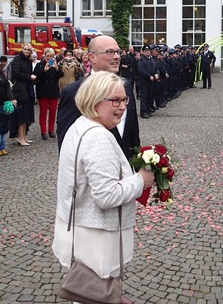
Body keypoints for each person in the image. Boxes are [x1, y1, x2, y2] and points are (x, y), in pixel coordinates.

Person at [52, 71, 154, 300]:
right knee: (95, 294)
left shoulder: (79, 126)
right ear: (94, 100)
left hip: (81, 227)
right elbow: (107, 196)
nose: (122, 106)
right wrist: (141, 180)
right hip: (96, 237)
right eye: (115, 101)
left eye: (124, 99)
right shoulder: (98, 137)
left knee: (90, 295)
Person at [57, 35, 140, 159]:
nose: (117, 57)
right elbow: (67, 141)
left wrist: (138, 164)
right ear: (92, 57)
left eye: (118, 52)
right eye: (110, 52)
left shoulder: (126, 86)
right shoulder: (74, 92)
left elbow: (132, 130)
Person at [33, 48, 64, 140]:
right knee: (43, 113)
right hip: (43, 92)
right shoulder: (39, 65)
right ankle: (43, 131)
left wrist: (57, 68)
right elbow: (35, 75)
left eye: (51, 56)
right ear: (44, 56)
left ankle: (51, 130)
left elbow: (61, 75)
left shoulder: (55, 65)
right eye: (47, 56)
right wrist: (44, 70)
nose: (49, 58)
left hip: (53, 92)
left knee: (53, 112)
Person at [10, 43, 37, 146]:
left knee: (26, 115)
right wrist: (29, 77)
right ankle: (20, 137)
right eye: (25, 49)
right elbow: (15, 73)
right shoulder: (17, 59)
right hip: (20, 90)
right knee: (21, 115)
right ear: (22, 49)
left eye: (28, 50)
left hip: (27, 89)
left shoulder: (28, 61)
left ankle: (24, 136)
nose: (26, 51)